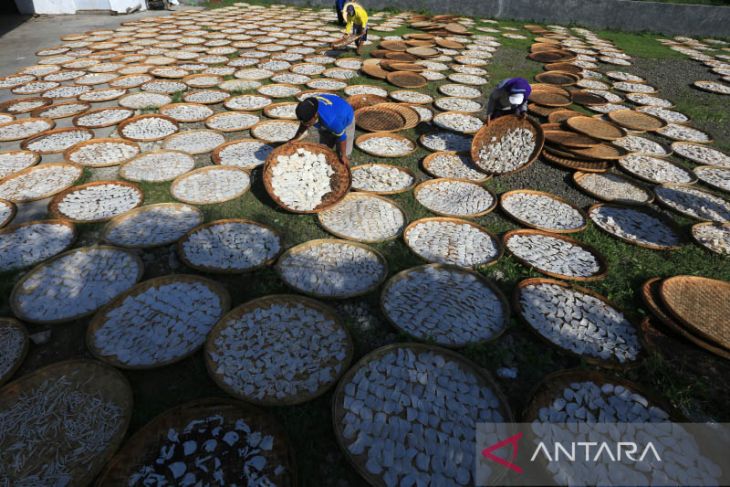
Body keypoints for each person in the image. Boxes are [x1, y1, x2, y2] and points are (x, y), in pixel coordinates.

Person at [293, 94, 355, 167]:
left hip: (345, 114)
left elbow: (342, 138)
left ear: (315, 116)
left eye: (308, 123)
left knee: (342, 152)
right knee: (325, 145)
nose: (307, 125)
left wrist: (343, 155)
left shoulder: (331, 121)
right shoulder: (308, 107)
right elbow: (303, 124)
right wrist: (295, 138)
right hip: (334, 107)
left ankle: (343, 159)